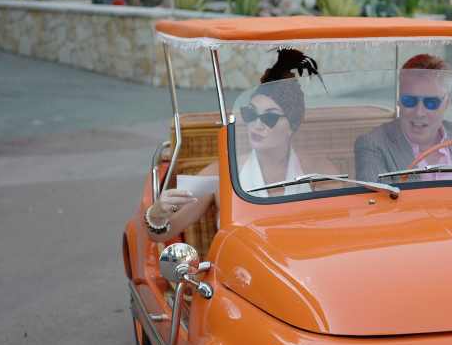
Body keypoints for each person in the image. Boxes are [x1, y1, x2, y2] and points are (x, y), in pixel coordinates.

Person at [141, 49, 337, 241]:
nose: (256, 125)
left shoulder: (318, 170)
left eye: (269, 117)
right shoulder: (221, 172)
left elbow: (341, 227)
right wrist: (157, 214)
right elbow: (162, 233)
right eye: (250, 114)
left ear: (292, 126)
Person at [353, 54, 452, 183]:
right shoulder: (373, 145)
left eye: (431, 103)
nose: (419, 112)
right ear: (399, 100)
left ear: (446, 103)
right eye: (409, 100)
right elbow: (375, 206)